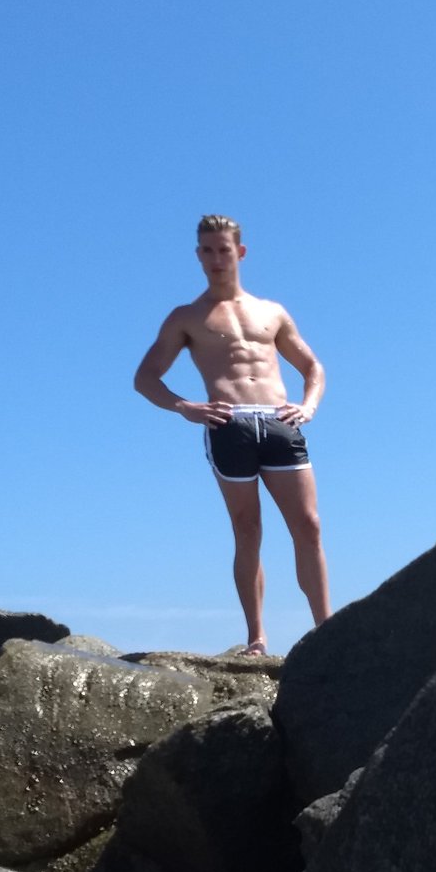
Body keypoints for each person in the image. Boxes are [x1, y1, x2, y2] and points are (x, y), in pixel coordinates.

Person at [134, 215, 331, 655]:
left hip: (280, 422)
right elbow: (145, 378)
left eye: (223, 250)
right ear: (198, 255)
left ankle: (327, 627)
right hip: (228, 425)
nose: (216, 258)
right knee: (248, 529)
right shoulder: (186, 317)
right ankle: (257, 637)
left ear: (240, 253)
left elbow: (313, 367)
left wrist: (309, 405)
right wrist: (185, 406)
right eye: (207, 250)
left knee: (309, 526)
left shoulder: (272, 311)